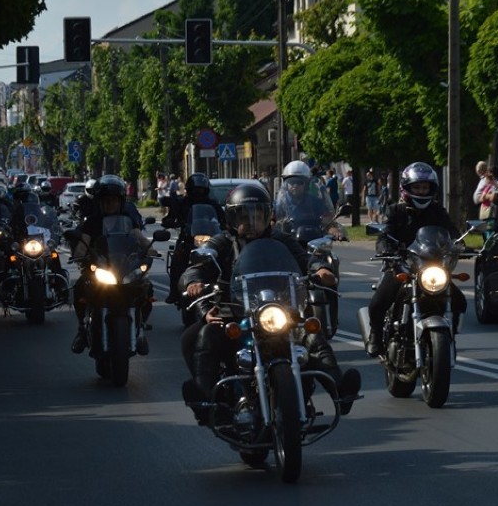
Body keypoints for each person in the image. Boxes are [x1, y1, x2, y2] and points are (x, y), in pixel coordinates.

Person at [179, 184, 361, 421]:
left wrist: (321, 268)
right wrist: (195, 286)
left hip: (279, 310)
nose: (252, 222)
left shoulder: (281, 239)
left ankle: (340, 391)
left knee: (310, 333)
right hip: (234, 313)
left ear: (268, 216)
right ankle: (207, 402)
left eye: (258, 215)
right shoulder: (222, 243)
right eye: (245, 216)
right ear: (232, 218)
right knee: (200, 337)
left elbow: (305, 259)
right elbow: (195, 270)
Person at [365, 162, 465, 357]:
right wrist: (386, 248)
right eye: (417, 187)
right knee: (378, 303)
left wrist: (460, 243)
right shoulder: (396, 210)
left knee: (460, 302)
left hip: (430, 266)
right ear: (407, 188)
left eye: (425, 187)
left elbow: (452, 230)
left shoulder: (437, 211)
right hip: (401, 265)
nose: (421, 191)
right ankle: (375, 336)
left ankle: (448, 338)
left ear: (432, 189)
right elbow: (384, 234)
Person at [69, 174, 156, 353]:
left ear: (121, 201)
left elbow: (139, 237)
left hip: (123, 266)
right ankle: (82, 329)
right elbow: (82, 243)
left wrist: (151, 250)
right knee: (79, 288)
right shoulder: (92, 221)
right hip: (100, 266)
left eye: (114, 201)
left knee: (146, 287)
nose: (110, 204)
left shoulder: (128, 220)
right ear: (100, 202)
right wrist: (79, 255)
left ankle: (141, 328)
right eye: (106, 201)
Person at [161, 172, 225, 304]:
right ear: (189, 190)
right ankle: (173, 292)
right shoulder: (182, 203)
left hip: (210, 238)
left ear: (206, 190)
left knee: (225, 256)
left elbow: (224, 219)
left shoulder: (213, 205)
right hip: (188, 237)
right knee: (177, 259)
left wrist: (226, 225)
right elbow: (171, 215)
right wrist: (170, 221)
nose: (198, 193)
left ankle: (225, 288)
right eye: (195, 190)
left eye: (201, 190)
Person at [273, 160, 333, 232]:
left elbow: (327, 217)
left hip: (311, 239)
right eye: (292, 182)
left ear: (306, 184)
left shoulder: (315, 202)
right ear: (286, 184)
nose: (295, 186)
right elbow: (272, 218)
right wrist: (272, 223)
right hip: (287, 239)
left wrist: (332, 228)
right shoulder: (280, 203)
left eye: (299, 182)